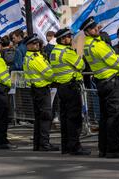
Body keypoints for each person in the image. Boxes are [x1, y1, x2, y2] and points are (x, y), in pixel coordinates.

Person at [82, 17, 119, 158]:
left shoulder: (87, 45)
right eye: (93, 28)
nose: (96, 29)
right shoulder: (98, 45)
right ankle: (113, 149)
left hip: (102, 82)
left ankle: (103, 148)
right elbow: (114, 61)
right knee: (114, 116)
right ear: (86, 32)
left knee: (105, 117)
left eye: (96, 27)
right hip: (111, 82)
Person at [50, 28, 90, 156]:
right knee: (74, 119)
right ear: (63, 39)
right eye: (68, 37)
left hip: (62, 87)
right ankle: (75, 147)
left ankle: (66, 146)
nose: (70, 39)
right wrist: (76, 54)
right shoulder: (67, 52)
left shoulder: (54, 51)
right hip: (71, 88)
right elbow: (81, 65)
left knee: (65, 119)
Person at [24, 34, 58, 151]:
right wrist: (56, 78)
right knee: (45, 117)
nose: (37, 45)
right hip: (41, 90)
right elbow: (49, 73)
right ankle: (44, 143)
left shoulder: (30, 57)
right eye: (34, 43)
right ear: (28, 45)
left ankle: (38, 143)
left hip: (36, 90)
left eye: (37, 43)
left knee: (39, 118)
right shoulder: (36, 58)